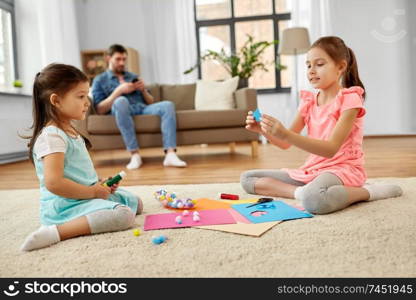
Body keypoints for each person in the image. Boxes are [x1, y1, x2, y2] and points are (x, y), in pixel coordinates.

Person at [240, 36, 402, 215]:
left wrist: (285, 133)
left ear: (340, 67)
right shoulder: (308, 102)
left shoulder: (350, 99)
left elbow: (331, 149)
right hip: (313, 169)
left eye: (319, 64)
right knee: (248, 178)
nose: (311, 70)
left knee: (315, 201)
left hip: (343, 169)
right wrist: (262, 131)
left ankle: (370, 192)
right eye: (308, 65)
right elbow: (285, 144)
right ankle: (302, 193)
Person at [21, 63, 143, 251]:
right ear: (56, 101)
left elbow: (78, 173)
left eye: (87, 95)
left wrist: (100, 183)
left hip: (82, 195)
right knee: (123, 215)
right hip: (64, 204)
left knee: (136, 203)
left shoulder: (71, 131)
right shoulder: (52, 136)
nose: (88, 102)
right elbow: (54, 183)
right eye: (80, 96)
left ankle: (93, 209)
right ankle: (56, 232)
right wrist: (94, 192)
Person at [91, 44, 187, 169]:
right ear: (108, 59)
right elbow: (100, 109)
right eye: (118, 59)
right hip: (122, 109)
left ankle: (170, 154)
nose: (122, 63)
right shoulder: (99, 80)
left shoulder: (132, 76)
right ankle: (135, 154)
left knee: (167, 105)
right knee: (121, 101)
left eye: (124, 59)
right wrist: (118, 91)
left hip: (141, 108)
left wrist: (143, 90)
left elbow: (150, 102)